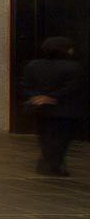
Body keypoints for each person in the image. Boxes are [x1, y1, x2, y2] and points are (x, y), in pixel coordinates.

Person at [21, 36, 87, 176]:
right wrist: (52, 97)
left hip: (40, 109)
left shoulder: (33, 65)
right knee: (61, 138)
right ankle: (53, 164)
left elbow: (26, 84)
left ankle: (48, 162)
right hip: (65, 110)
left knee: (44, 136)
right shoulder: (74, 67)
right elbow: (73, 87)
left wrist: (37, 96)